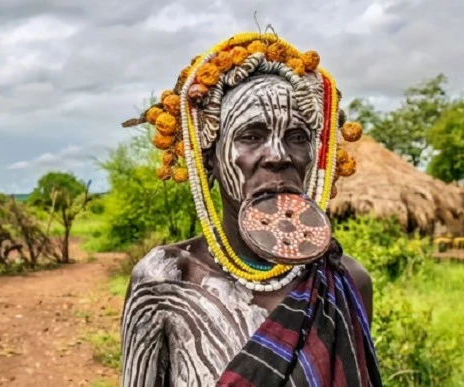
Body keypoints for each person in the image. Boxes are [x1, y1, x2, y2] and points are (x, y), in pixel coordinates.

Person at [120, 31, 382, 387]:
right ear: (208, 158)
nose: (279, 155)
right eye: (251, 136)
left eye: (297, 137)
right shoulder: (165, 280)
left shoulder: (347, 282)